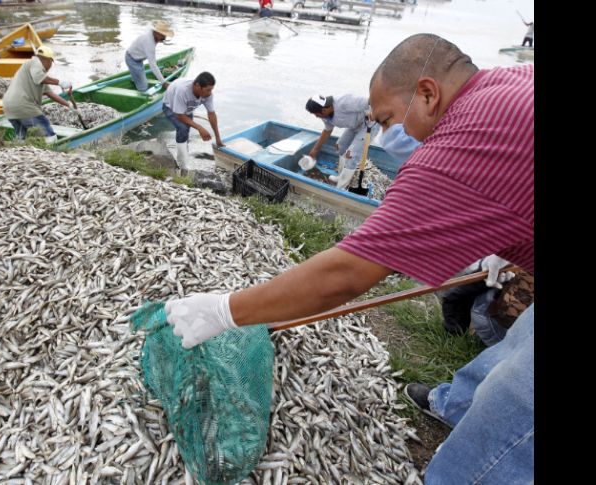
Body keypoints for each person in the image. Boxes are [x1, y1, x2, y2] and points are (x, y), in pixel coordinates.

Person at [164, 33, 533, 484]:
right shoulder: (512, 80)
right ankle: (453, 404)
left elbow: (348, 272)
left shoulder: (461, 144)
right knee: (517, 343)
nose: (382, 135)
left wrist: (224, 310)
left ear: (427, 94)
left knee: (516, 409)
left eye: (388, 120)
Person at [2, 46, 76, 144]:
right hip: (25, 107)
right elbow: (38, 77)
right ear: (48, 60)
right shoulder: (35, 62)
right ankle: (52, 153)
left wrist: (69, 105)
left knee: (21, 138)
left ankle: (21, 152)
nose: (50, 66)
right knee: (49, 135)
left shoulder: (32, 71)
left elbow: (51, 94)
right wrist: (60, 82)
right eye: (51, 63)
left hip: (9, 108)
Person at [304, 94, 381, 189]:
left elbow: (372, 100)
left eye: (316, 114)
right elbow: (327, 130)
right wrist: (315, 149)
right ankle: (340, 176)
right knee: (340, 146)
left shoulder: (345, 101)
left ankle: (341, 187)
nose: (316, 117)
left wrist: (374, 111)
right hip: (354, 125)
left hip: (369, 124)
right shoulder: (325, 116)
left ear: (324, 110)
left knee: (351, 154)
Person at [162, 72, 224, 173]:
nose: (210, 93)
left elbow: (211, 114)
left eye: (211, 89)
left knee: (185, 132)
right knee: (182, 128)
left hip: (187, 109)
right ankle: (183, 166)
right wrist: (200, 128)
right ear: (197, 86)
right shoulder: (182, 90)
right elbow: (180, 115)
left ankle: (182, 157)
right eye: (208, 90)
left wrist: (218, 138)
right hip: (170, 106)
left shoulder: (208, 95)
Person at [125, 20, 174, 93]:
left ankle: (136, 79)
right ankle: (141, 94)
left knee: (140, 76)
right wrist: (164, 83)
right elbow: (153, 65)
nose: (164, 37)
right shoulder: (149, 42)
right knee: (144, 86)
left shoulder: (152, 34)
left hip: (138, 59)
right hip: (132, 59)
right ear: (157, 33)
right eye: (163, 35)